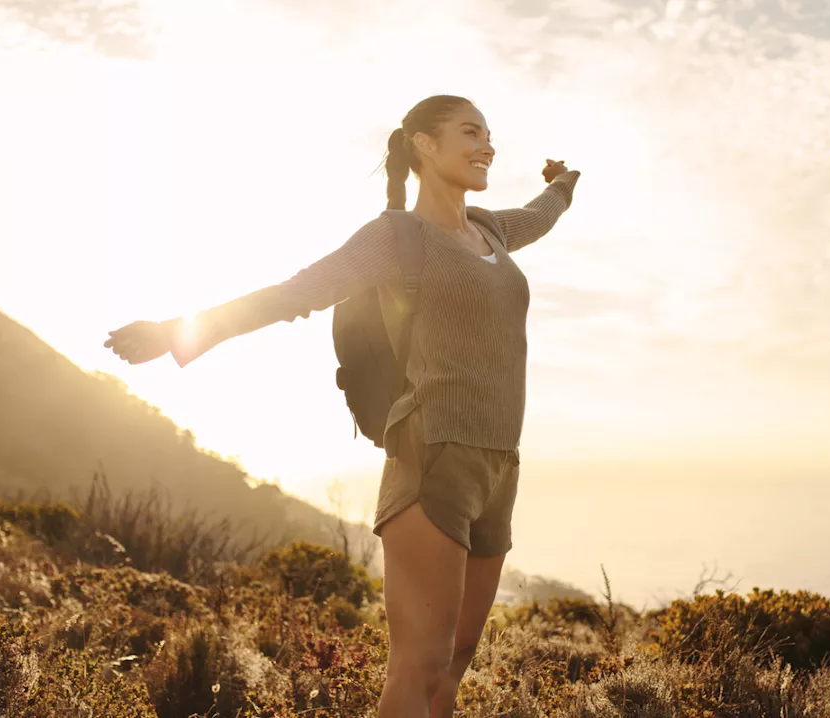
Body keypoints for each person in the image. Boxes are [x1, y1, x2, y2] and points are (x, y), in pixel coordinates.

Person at [104, 94, 580, 718]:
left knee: (457, 660)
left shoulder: (492, 230)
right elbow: (294, 293)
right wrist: (176, 330)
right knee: (421, 664)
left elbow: (539, 215)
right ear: (424, 146)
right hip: (432, 455)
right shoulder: (395, 238)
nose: (487, 144)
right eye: (470, 132)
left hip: (499, 463)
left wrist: (564, 184)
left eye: (490, 133)